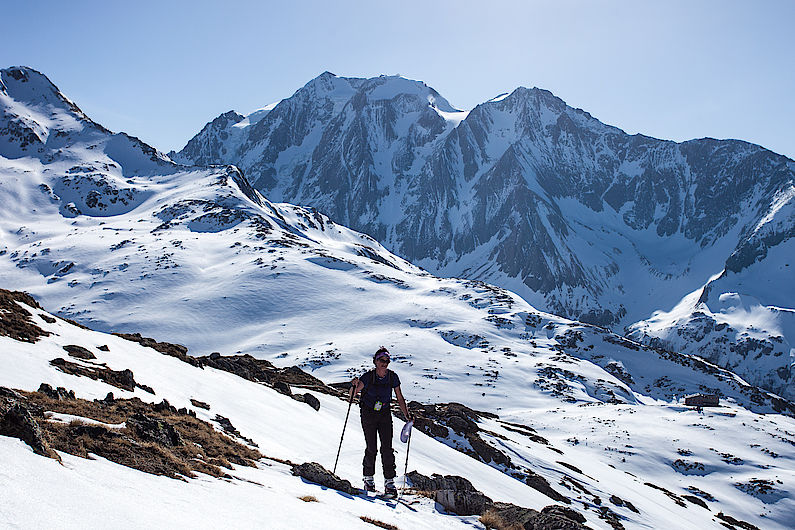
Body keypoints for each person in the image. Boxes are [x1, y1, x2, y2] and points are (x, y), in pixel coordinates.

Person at [350, 346, 411, 497]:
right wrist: (354, 386)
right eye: (381, 360)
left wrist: (407, 416)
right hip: (368, 413)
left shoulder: (392, 377)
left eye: (387, 360)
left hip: (384, 413)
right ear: (375, 361)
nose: (384, 363)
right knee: (371, 447)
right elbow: (353, 394)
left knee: (387, 448)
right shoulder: (368, 377)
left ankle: (389, 483)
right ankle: (368, 479)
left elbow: (400, 397)